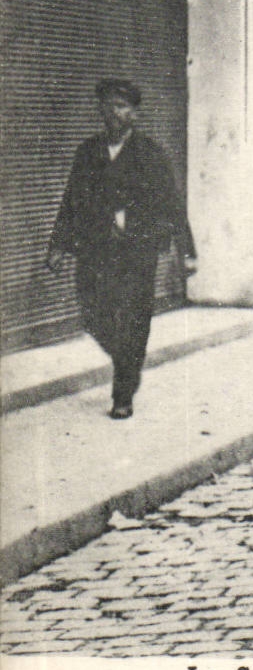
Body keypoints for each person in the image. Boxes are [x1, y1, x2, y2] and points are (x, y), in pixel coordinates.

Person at [47, 79, 196, 419]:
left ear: (134, 113)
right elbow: (71, 200)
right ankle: (126, 360)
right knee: (93, 314)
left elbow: (173, 206)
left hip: (137, 253)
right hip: (96, 251)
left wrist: (186, 252)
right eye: (109, 105)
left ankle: (123, 394)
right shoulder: (88, 152)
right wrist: (58, 245)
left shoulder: (150, 154)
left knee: (133, 320)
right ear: (100, 110)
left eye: (122, 106)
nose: (114, 113)